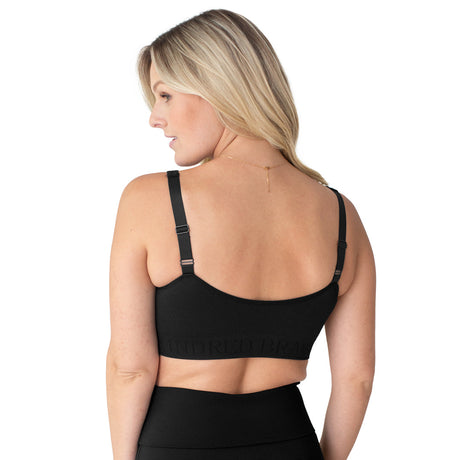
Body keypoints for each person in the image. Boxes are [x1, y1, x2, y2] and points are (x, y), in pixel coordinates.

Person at [106, 8, 376, 460]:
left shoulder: (151, 199)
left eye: (165, 95)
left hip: (178, 445)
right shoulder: (341, 215)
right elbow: (356, 379)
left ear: (216, 87)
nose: (155, 117)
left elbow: (130, 368)